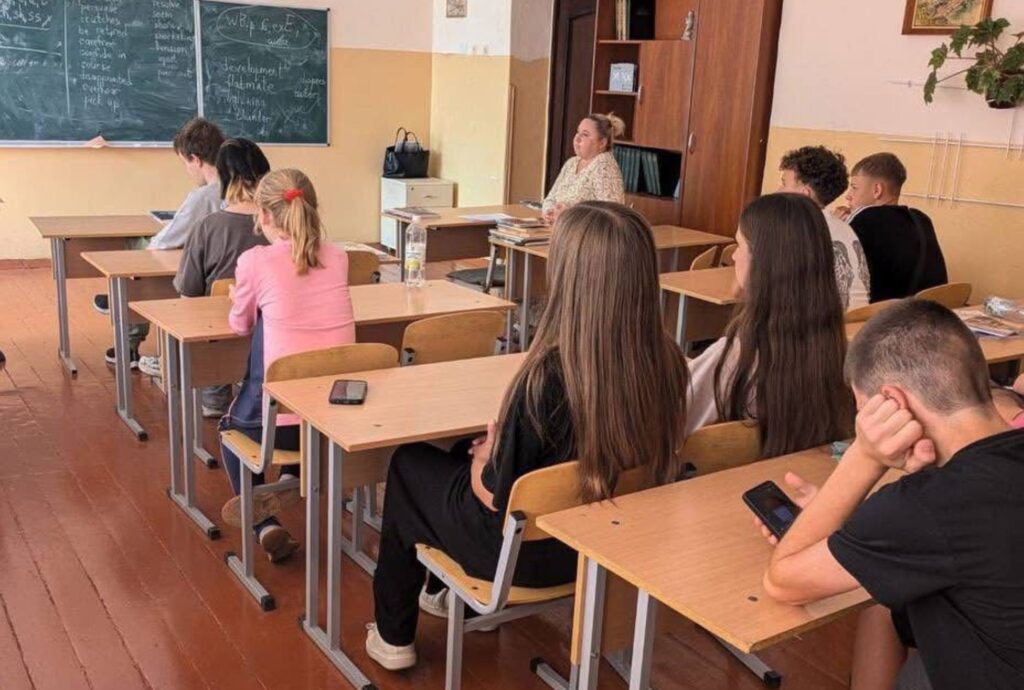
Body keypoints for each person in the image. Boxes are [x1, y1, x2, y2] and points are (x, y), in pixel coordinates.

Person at [364, 201, 689, 671]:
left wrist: (485, 460)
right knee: (457, 451)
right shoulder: (670, 361)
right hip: (600, 547)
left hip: (520, 559)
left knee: (410, 463)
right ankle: (449, 597)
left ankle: (394, 636)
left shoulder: (546, 377)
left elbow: (497, 498)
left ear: (568, 277)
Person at [758, 299, 1024, 690]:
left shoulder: (928, 505)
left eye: (863, 410)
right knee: (888, 606)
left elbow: (783, 582)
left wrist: (864, 456)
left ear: (893, 403)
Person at [218, 169, 356, 562]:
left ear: (262, 214)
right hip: (335, 420)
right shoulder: (339, 257)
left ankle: (265, 524)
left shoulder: (255, 261)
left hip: (277, 429)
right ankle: (295, 477)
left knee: (228, 430)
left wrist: (240, 297)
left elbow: (240, 325)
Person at [686, 193, 854, 457]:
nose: (734, 257)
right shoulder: (836, 348)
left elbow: (672, 418)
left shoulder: (738, 356)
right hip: (801, 471)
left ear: (762, 260)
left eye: (739, 245)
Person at [96, 117, 226, 371]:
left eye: (184, 163)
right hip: (228, 275)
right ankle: (121, 302)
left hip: (203, 279)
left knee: (139, 245)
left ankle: (124, 309)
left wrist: (155, 240)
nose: (187, 170)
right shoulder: (247, 188)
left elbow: (165, 242)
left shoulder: (203, 197)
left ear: (196, 159)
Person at [173, 137, 271, 417]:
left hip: (219, 336)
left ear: (224, 180)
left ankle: (215, 395)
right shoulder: (283, 224)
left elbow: (188, 293)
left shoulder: (209, 226)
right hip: (272, 336)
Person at [832, 152, 948, 302]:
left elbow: (828, 271)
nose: (848, 196)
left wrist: (833, 226)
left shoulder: (863, 218)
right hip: (927, 310)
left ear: (877, 190)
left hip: (882, 313)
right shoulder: (921, 219)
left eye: (854, 188)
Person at [777, 145, 871, 309]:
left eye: (784, 184)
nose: (778, 191)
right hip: (858, 321)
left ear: (805, 193)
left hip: (822, 323)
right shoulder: (845, 228)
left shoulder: (797, 231)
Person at [542, 114, 626, 224]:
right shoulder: (571, 163)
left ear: (602, 143)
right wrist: (549, 211)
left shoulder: (604, 166)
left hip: (584, 233)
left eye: (585, 134)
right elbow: (550, 198)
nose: (577, 138)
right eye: (578, 132)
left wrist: (569, 214)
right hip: (559, 228)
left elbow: (611, 216)